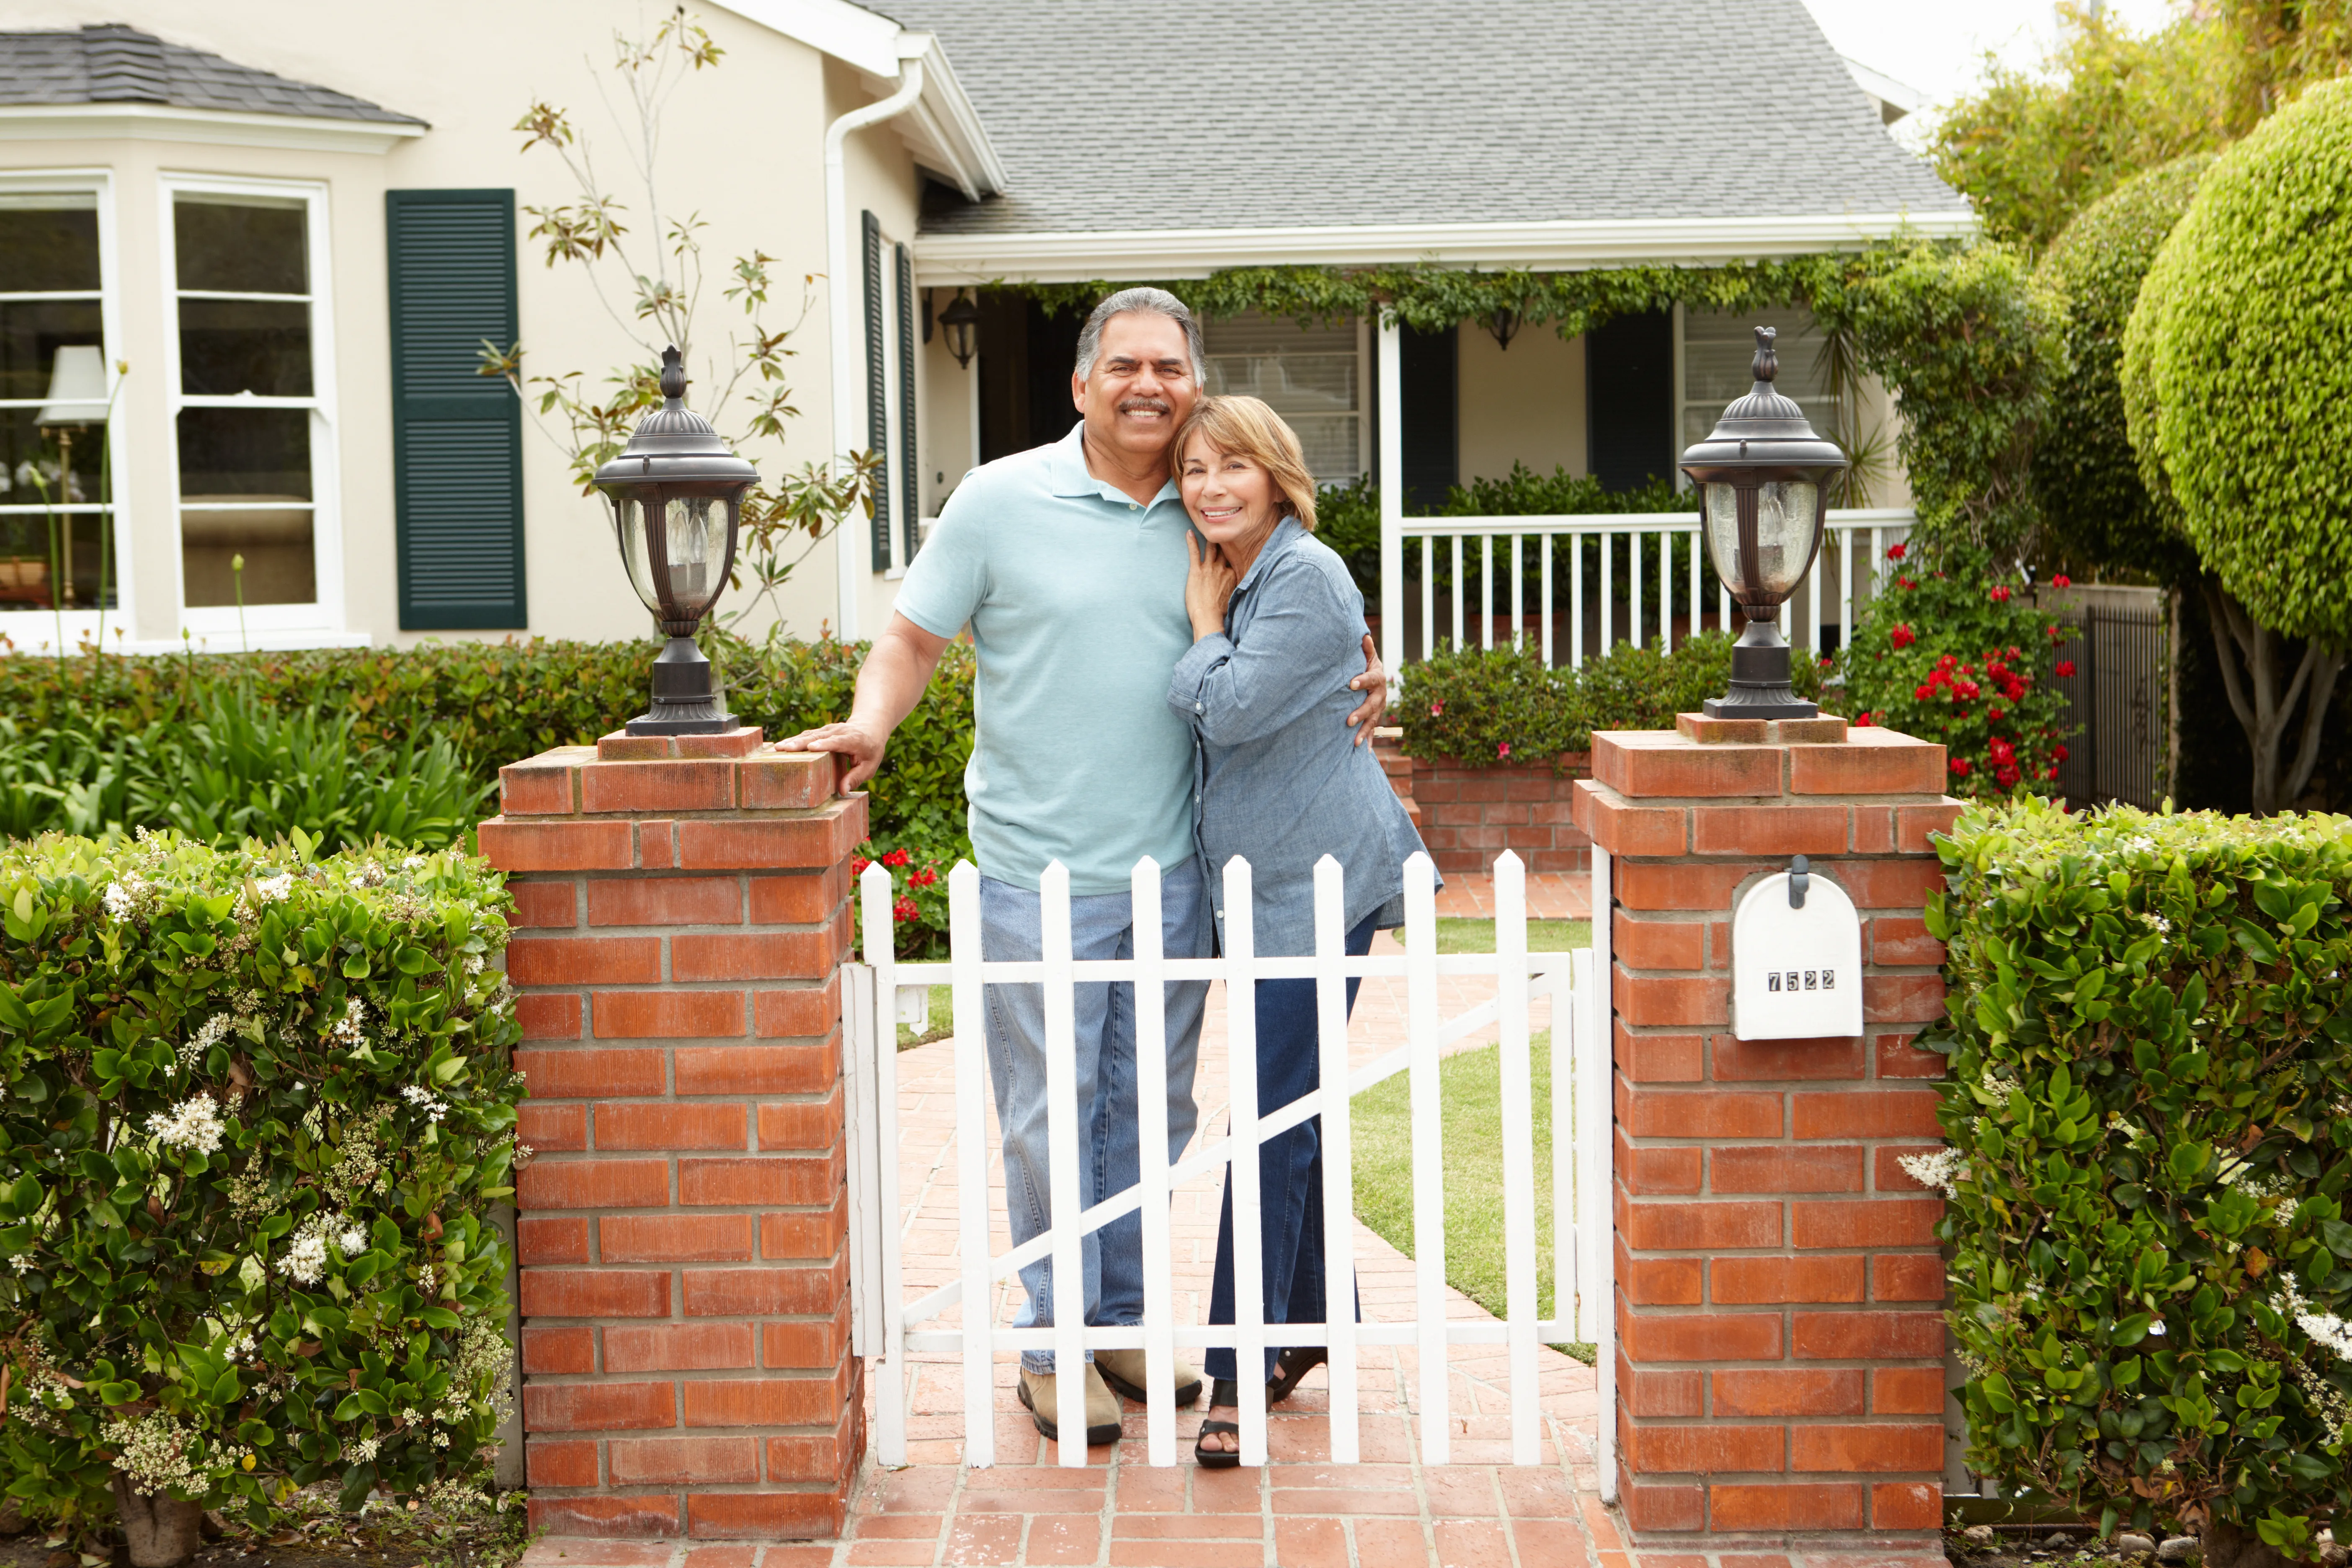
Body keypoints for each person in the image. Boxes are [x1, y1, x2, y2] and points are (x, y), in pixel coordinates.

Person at [778, 290, 1389, 1447]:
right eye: (1124, 366)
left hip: (1175, 870)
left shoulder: (1216, 509)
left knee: (1148, 1115)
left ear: (1193, 383)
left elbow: (1313, 624)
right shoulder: (1000, 499)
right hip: (1032, 870)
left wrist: (1374, 673)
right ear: (1082, 384)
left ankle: (1117, 1324)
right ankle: (1053, 1345)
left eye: (1168, 366)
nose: (1147, 385)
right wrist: (871, 724)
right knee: (1049, 1114)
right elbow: (910, 638)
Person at [1166, 395, 1431, 1467]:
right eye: (1193, 470)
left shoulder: (1304, 577)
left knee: (1270, 1117)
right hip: (1269, 883)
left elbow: (1227, 711)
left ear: (1277, 474)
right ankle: (1313, 1320)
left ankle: (1236, 1370)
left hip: (1322, 885)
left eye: (1233, 465)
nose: (1212, 486)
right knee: (1295, 1105)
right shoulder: (1249, 569)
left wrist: (1199, 629)